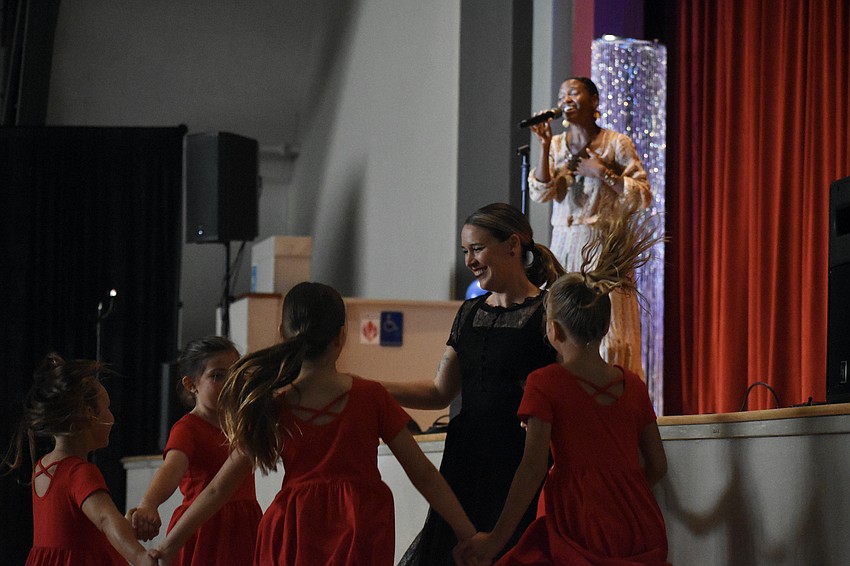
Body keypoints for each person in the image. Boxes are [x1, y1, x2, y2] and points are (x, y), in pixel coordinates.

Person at [151, 282, 475, 565]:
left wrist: (169, 544)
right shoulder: (371, 396)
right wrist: (467, 534)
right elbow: (424, 474)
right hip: (360, 523)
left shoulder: (273, 404)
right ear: (341, 336)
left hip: (293, 525)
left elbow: (220, 488)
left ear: (283, 332)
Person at [454, 205, 669, 565]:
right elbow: (658, 465)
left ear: (552, 329)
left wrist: (496, 538)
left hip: (577, 515)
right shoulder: (632, 385)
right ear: (603, 327)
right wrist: (623, 490)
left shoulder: (546, 383)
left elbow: (533, 467)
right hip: (636, 517)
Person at [387, 203, 566, 565]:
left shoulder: (550, 312)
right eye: (465, 251)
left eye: (477, 249)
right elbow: (440, 392)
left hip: (519, 464)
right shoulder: (469, 312)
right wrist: (374, 388)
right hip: (465, 463)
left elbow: (568, 391)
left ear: (513, 245)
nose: (469, 260)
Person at [528, 76, 652, 380]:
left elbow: (643, 195)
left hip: (603, 246)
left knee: (609, 331)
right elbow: (542, 192)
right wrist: (544, 146)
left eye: (573, 93)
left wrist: (604, 173)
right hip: (564, 245)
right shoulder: (557, 144)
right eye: (561, 95)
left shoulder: (615, 143)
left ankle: (611, 391)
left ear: (593, 101)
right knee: (563, 321)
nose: (565, 99)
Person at [3, 354, 157, 566]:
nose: (112, 418)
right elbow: (104, 519)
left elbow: (80, 528)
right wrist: (140, 557)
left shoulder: (42, 467)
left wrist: (125, 526)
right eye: (108, 408)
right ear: (89, 414)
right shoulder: (80, 471)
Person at [126, 336, 261, 565]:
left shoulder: (241, 424)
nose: (229, 384)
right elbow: (171, 469)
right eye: (218, 376)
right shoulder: (188, 428)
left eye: (235, 374)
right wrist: (149, 503)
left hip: (246, 526)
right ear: (191, 384)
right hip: (204, 527)